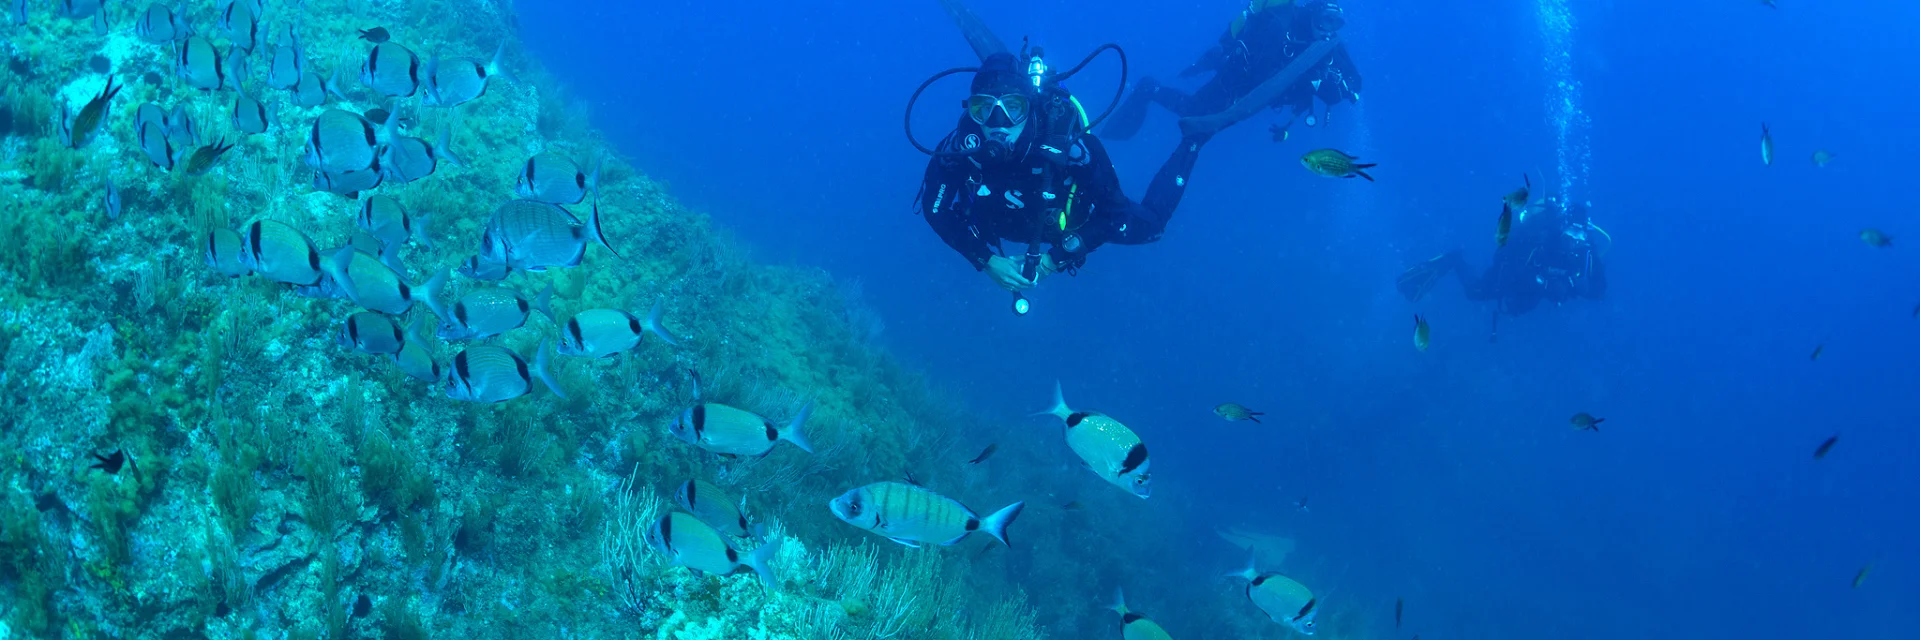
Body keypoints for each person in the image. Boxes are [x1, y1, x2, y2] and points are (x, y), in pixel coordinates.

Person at [916, 52, 1207, 294]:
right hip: (1001, 225)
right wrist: (986, 260)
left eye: (1013, 108)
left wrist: (1052, 260)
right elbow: (934, 209)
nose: (998, 123)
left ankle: (1193, 138)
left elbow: (1114, 214)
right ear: (971, 111)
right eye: (983, 109)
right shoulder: (960, 147)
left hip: (1065, 223)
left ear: (1029, 108)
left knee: (1152, 227)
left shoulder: (1068, 146)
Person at [1102, 0, 1362, 141]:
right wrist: (1310, 82)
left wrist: (1336, 85)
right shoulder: (1280, 28)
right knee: (1194, 111)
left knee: (1203, 125)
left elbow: (1355, 80)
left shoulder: (1327, 43)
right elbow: (1261, 76)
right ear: (1313, 16)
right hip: (1236, 79)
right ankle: (1149, 88)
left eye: (1336, 24)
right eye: (1326, 20)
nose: (1329, 28)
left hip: (1260, 93)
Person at [1396, 196, 1611, 332]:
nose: (1575, 239)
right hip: (1512, 273)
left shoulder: (1585, 250)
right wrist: (1545, 284)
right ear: (1562, 226)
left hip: (1535, 291)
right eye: (1571, 231)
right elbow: (1516, 265)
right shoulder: (1543, 238)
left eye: (1580, 233)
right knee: (1474, 292)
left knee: (1520, 308)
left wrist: (1578, 288)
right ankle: (1453, 259)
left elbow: (1599, 290)